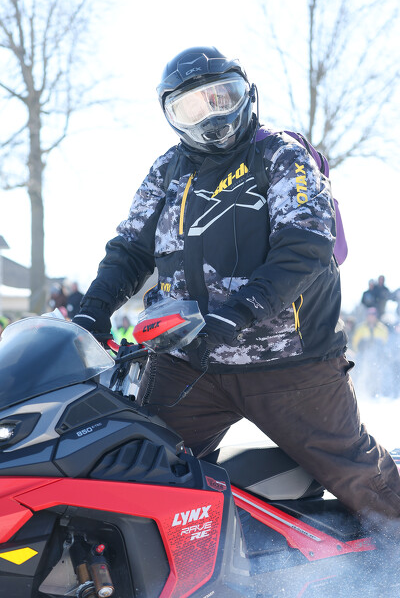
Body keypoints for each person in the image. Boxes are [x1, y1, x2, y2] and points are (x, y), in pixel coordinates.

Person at [73, 46, 400, 530]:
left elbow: (306, 243)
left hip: (291, 364)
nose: (211, 116)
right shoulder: (167, 171)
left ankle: (391, 549)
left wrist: (244, 308)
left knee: (359, 477)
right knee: (140, 470)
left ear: (246, 95)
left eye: (221, 97)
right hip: (188, 362)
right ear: (171, 116)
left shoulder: (280, 154)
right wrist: (92, 311)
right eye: (191, 108)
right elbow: (129, 249)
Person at [352, 307, 389, 398]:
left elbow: (385, 343)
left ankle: (376, 393)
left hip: (377, 356)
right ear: (367, 316)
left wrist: (381, 353)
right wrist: (359, 351)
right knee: (362, 373)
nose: (371, 317)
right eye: (369, 315)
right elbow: (355, 342)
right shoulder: (361, 328)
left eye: (373, 315)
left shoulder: (382, 328)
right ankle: (361, 391)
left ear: (376, 316)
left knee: (377, 373)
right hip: (363, 355)